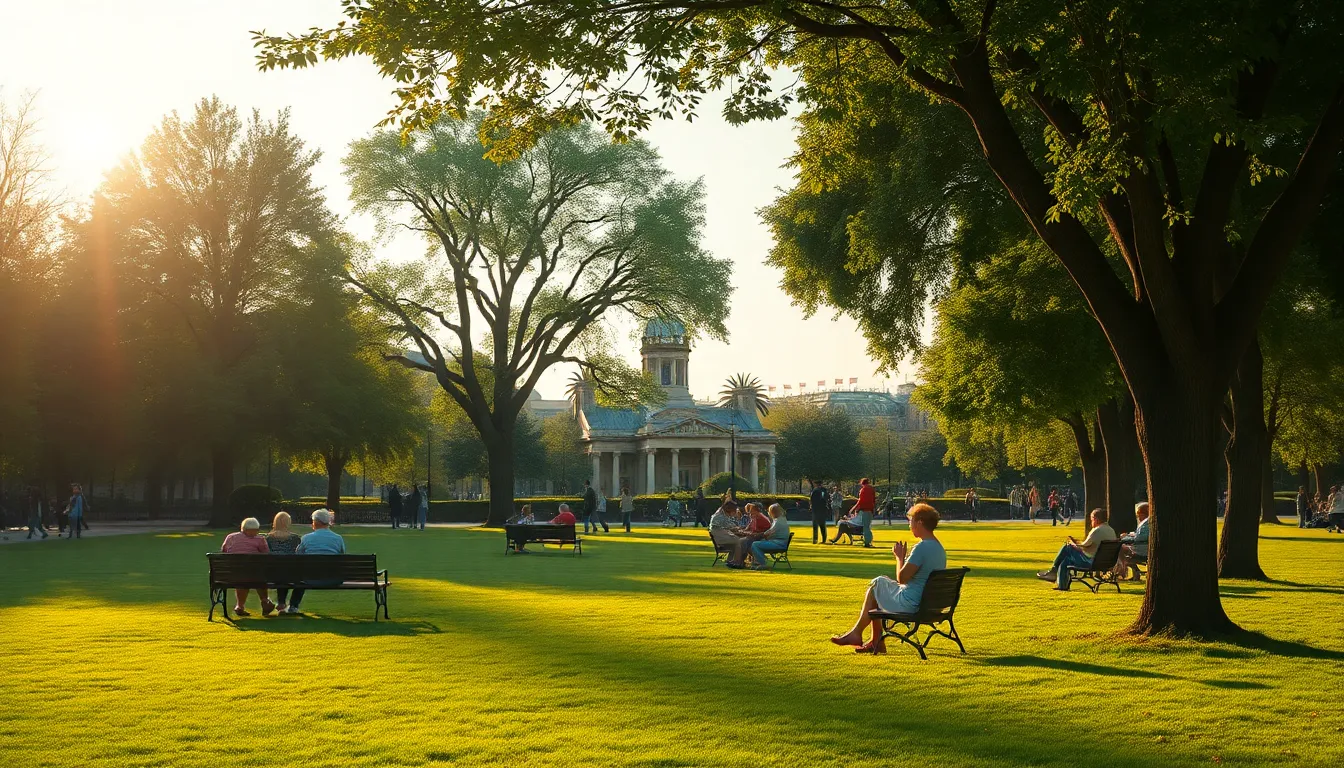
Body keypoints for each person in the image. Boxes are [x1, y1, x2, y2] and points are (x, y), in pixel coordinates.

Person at [830, 504, 947, 654]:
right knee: (881, 585)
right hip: (930, 604)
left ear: (920, 522)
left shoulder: (922, 548)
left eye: (910, 521)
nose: (909, 525)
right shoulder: (939, 548)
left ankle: (861, 635)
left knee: (878, 583)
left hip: (912, 604)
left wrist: (899, 558)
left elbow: (902, 579)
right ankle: (873, 641)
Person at [1037, 508, 1117, 590]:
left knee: (1067, 547)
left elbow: (1083, 547)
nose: (1091, 522)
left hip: (1091, 562)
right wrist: (1076, 543)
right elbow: (1089, 545)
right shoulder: (1111, 530)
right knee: (1066, 561)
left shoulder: (1097, 530)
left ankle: (1054, 571)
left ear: (1096, 519)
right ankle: (1060, 583)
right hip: (1105, 563)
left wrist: (1073, 544)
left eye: (1091, 519)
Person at [286, 509, 346, 614]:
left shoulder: (306, 538)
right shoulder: (338, 538)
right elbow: (342, 556)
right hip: (333, 578)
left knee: (300, 575)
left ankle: (293, 606)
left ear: (316, 522)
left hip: (310, 578)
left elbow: (298, 556)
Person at [221, 517, 277, 616]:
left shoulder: (231, 537)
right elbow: (266, 554)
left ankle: (240, 606)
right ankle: (265, 601)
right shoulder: (260, 539)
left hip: (233, 574)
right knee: (256, 574)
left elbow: (224, 551)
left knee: (242, 576)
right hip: (254, 574)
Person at [265, 511, 302, 611]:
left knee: (280, 569)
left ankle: (281, 603)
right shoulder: (295, 538)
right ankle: (292, 605)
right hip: (291, 573)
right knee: (288, 570)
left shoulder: (268, 538)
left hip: (273, 574)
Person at [746, 504, 792, 570]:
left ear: (773, 512)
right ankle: (756, 562)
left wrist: (757, 535)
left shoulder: (778, 522)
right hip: (780, 543)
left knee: (755, 544)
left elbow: (768, 533)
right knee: (758, 542)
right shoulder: (781, 519)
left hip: (779, 544)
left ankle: (762, 563)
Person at [726, 502, 771, 567]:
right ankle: (739, 561)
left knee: (742, 542)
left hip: (761, 538)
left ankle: (738, 562)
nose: (749, 514)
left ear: (756, 510)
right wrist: (741, 531)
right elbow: (748, 528)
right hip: (756, 537)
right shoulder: (755, 517)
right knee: (741, 541)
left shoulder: (759, 518)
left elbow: (757, 533)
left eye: (751, 512)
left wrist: (744, 532)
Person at [1118, 502, 1150, 581]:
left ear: (1143, 514)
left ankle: (1122, 572)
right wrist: (1130, 535)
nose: (1138, 518)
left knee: (1120, 548)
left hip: (1142, 550)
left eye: (1139, 515)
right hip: (1144, 547)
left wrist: (1124, 538)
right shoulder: (1149, 522)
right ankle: (1135, 573)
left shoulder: (1146, 523)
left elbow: (1139, 538)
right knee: (1123, 548)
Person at [851, 478, 877, 546]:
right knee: (868, 526)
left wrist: (854, 508)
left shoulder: (863, 490)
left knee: (865, 527)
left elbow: (861, 501)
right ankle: (869, 540)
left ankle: (867, 542)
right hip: (870, 510)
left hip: (865, 510)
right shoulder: (872, 489)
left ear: (862, 483)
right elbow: (874, 500)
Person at [809, 479, 830, 544]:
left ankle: (815, 539)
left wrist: (811, 506)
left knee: (815, 525)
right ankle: (824, 539)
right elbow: (826, 498)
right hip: (822, 509)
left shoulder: (815, 490)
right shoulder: (824, 490)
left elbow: (812, 499)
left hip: (816, 509)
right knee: (822, 525)